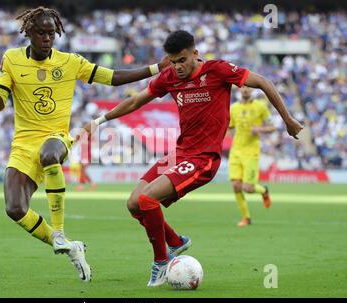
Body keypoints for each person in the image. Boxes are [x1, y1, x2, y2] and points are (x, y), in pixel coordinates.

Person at [80, 30, 303, 287]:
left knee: (147, 199)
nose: (177, 67)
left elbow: (263, 81)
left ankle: (161, 261)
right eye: (173, 62)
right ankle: (176, 242)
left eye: (182, 60)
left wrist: (288, 120)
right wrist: (99, 120)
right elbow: (137, 101)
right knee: (133, 203)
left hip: (203, 158)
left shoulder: (217, 70)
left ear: (195, 54)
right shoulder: (169, 77)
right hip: (179, 153)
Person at [0, 6, 168, 282]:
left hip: (57, 137)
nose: (47, 38)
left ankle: (59, 231)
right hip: (23, 144)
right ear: (29, 33)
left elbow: (112, 77)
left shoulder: (70, 62)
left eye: (51, 33)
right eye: (41, 33)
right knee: (15, 209)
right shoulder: (11, 59)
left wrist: (157, 68)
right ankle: (69, 246)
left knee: (50, 154)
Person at [228, 87, 275, 227]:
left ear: (252, 90)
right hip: (236, 150)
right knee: (236, 186)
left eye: (248, 87)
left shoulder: (261, 106)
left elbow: (272, 127)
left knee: (248, 188)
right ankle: (246, 218)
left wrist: (259, 129)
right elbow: (229, 127)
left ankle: (263, 190)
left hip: (251, 152)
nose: (245, 90)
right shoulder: (233, 108)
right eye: (242, 87)